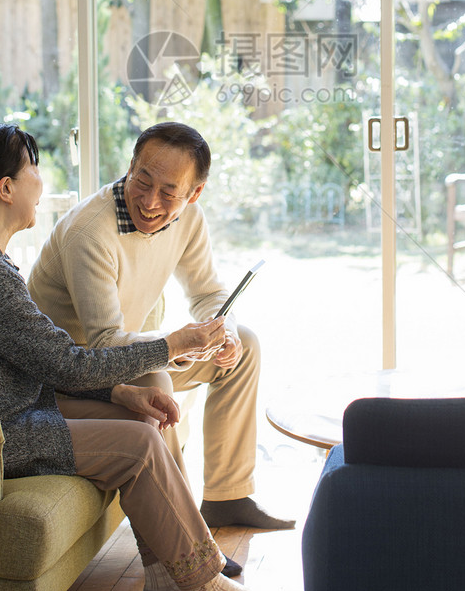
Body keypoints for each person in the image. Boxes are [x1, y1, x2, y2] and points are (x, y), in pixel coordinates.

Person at [0, 123, 285, 591]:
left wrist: (124, 394)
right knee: (141, 444)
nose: (41, 181)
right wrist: (171, 346)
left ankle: (166, 574)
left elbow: (37, 365)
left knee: (146, 418)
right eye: (33, 169)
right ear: (7, 189)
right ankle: (204, 582)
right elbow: (68, 361)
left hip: (8, 410)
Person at [28, 121, 293, 531]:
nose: (150, 201)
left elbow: (208, 292)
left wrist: (224, 328)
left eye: (169, 192)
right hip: (73, 378)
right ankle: (187, 536)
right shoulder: (89, 233)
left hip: (126, 358)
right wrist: (176, 345)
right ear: (130, 167)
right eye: (142, 180)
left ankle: (229, 496)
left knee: (246, 346)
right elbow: (102, 346)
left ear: (194, 193)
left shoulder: (189, 219)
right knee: (156, 382)